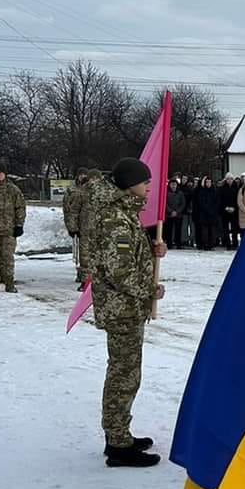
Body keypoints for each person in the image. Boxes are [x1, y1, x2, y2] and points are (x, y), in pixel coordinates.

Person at [88, 158, 166, 467]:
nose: (149, 185)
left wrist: (152, 249)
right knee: (123, 375)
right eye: (144, 180)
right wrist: (149, 290)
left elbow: (128, 257)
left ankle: (120, 434)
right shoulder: (116, 220)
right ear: (128, 183)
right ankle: (118, 444)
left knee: (126, 373)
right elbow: (119, 271)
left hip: (127, 308)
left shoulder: (124, 214)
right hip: (122, 309)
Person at [0, 161, 26, 293]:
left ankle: (9, 283)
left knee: (7, 258)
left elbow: (20, 208)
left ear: (5, 174)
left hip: (9, 231)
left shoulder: (13, 190)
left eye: (0, 172)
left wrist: (19, 225)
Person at [62, 169, 90, 287]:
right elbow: (69, 209)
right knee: (81, 253)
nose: (82, 177)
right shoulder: (72, 190)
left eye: (84, 175)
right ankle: (82, 275)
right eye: (80, 175)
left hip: (91, 227)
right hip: (80, 225)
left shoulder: (91, 190)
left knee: (89, 254)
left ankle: (86, 276)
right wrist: (71, 227)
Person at [194, 176, 220, 251]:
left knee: (212, 230)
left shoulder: (215, 191)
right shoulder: (202, 191)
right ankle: (205, 244)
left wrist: (213, 210)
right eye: (207, 182)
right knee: (204, 231)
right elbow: (201, 202)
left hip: (213, 213)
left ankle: (211, 244)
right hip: (204, 213)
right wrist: (207, 209)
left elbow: (217, 202)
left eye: (209, 182)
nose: (208, 184)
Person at [219, 175, 240, 249]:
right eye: (228, 179)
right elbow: (220, 200)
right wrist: (225, 208)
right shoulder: (222, 189)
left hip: (234, 211)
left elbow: (238, 200)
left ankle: (235, 243)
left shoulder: (236, 188)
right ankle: (227, 244)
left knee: (234, 229)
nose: (229, 180)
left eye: (231, 179)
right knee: (225, 229)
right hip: (225, 211)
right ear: (226, 180)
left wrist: (234, 208)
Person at [165, 179, 186, 248]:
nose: (173, 186)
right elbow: (165, 203)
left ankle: (178, 243)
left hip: (178, 214)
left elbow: (183, 203)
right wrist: (171, 211)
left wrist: (177, 211)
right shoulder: (166, 192)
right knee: (169, 230)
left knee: (178, 230)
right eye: (172, 184)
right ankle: (169, 243)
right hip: (169, 214)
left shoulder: (180, 193)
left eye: (175, 184)